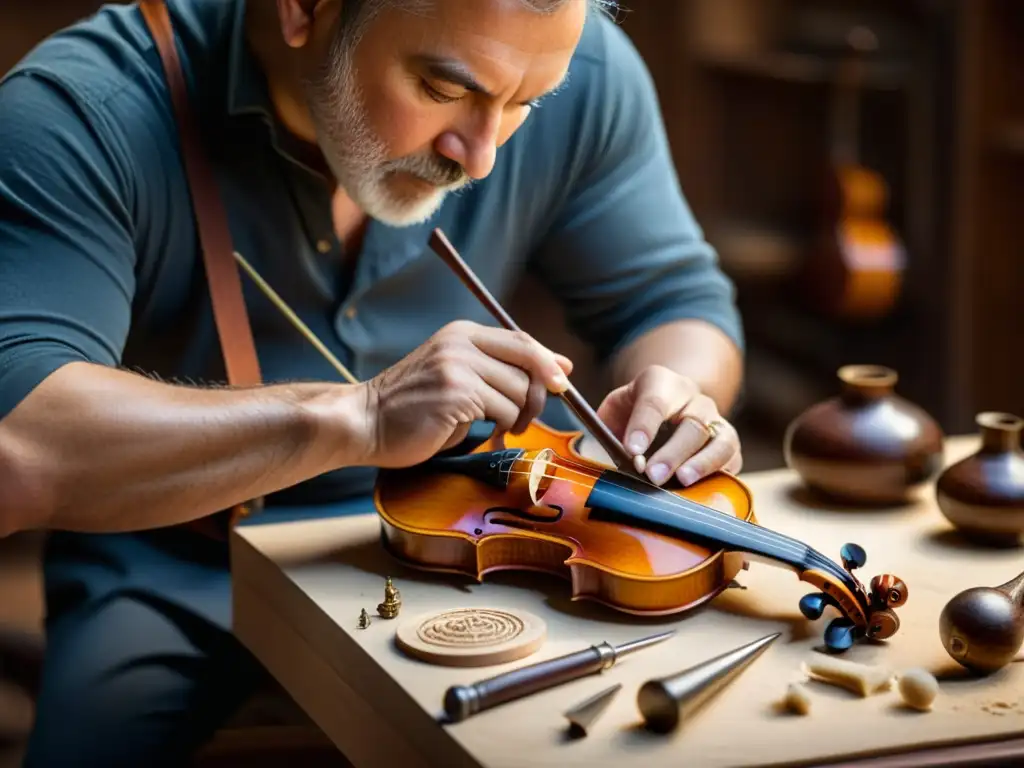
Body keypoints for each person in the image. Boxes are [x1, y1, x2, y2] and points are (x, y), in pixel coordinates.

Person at [0, 0, 744, 763]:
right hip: (178, 561)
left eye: (526, 105)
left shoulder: (570, 62)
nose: (482, 156)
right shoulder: (81, 112)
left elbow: (674, 303)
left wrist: (677, 389)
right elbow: (19, 448)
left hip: (477, 533)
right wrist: (359, 418)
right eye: (442, 89)